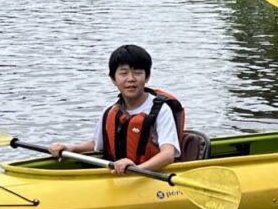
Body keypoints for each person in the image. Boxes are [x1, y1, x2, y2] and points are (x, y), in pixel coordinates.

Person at [49, 44, 182, 174]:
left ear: (147, 77)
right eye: (123, 73)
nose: (131, 79)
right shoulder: (109, 112)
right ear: (113, 79)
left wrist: (137, 169)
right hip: (118, 174)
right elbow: (97, 144)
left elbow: (168, 154)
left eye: (137, 73)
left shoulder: (161, 110)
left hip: (148, 174)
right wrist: (71, 148)